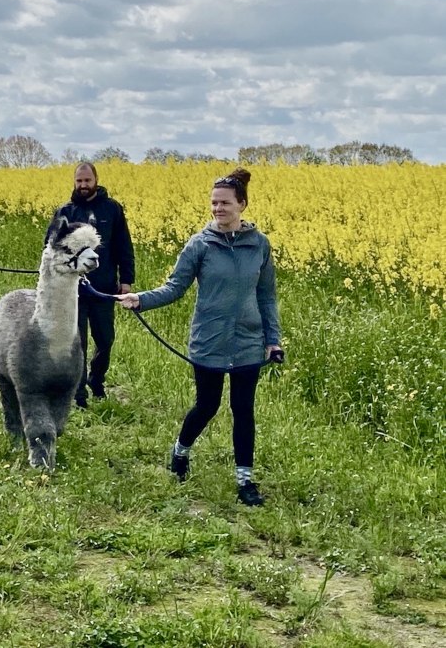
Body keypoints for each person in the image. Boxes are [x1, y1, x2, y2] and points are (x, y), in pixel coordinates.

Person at [115, 167, 281, 507]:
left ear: (242, 205)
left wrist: (272, 339)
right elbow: (175, 287)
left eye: (225, 203)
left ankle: (245, 480)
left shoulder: (259, 245)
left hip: (248, 341)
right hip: (210, 339)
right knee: (207, 405)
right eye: (214, 203)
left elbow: (266, 296)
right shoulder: (200, 244)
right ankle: (180, 451)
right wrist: (141, 299)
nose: (218, 208)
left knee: (243, 409)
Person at [51, 162, 135, 409]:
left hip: (104, 287)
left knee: (105, 339)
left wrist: (127, 280)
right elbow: (51, 247)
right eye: (79, 181)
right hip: (72, 290)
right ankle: (78, 394)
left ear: (95, 180)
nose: (83, 185)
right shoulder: (65, 212)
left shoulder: (112, 209)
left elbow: (123, 246)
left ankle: (96, 378)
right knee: (77, 343)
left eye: (87, 180)